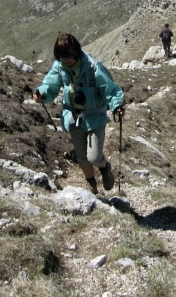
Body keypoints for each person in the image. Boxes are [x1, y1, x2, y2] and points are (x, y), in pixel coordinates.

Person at [34, 33, 125, 194]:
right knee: (82, 159)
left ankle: (105, 167)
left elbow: (109, 88)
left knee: (94, 157)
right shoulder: (60, 67)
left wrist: (117, 104)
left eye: (69, 55)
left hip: (95, 117)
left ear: (76, 51)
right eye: (62, 56)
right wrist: (41, 93)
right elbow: (50, 85)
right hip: (73, 118)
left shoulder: (92, 66)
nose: (67, 59)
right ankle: (93, 190)